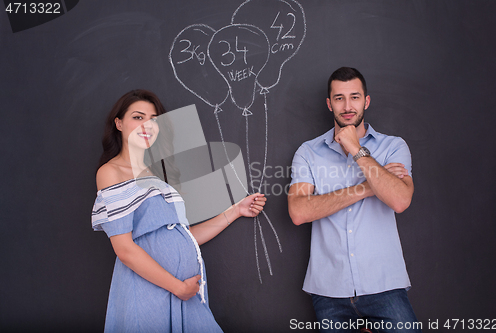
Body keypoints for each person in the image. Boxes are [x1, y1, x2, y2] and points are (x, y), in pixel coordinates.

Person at [91, 89, 266, 332]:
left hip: (183, 292)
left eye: (153, 119)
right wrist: (177, 287)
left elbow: (183, 236)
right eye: (138, 117)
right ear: (119, 123)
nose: (147, 125)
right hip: (149, 293)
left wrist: (235, 211)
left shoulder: (158, 176)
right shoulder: (111, 172)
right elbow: (124, 249)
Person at [287, 67, 421, 332]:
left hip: (384, 286)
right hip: (328, 292)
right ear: (329, 104)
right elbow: (299, 212)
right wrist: (369, 188)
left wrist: (356, 149)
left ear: (366, 101)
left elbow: (400, 200)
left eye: (355, 97)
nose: (347, 106)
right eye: (339, 98)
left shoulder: (394, 146)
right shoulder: (308, 152)